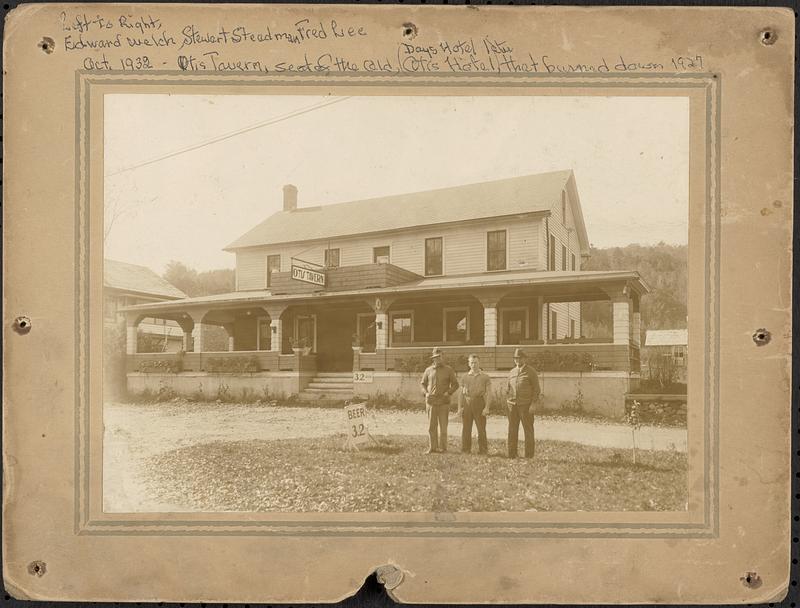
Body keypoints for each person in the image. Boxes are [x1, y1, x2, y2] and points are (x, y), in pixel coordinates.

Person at [419, 347, 459, 454]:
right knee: (432, 426)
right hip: (431, 402)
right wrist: (426, 393)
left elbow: (455, 384)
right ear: (433, 358)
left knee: (443, 426)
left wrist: (448, 392)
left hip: (443, 402)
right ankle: (432, 447)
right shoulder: (428, 370)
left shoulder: (448, 370)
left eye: (439, 357)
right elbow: (422, 384)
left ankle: (443, 448)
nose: (437, 359)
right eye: (435, 357)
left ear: (443, 357)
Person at [506, 348, 540, 458]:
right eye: (516, 358)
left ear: (524, 359)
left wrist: (533, 404)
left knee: (528, 430)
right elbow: (508, 388)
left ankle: (529, 455)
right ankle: (512, 454)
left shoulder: (531, 371)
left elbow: (536, 389)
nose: (518, 360)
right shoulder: (511, 372)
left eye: (520, 358)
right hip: (512, 405)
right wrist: (508, 401)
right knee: (512, 429)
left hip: (526, 406)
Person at [460, 354, 491, 454]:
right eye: (472, 362)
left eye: (476, 362)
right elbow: (461, 394)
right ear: (469, 364)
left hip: (479, 403)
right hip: (467, 403)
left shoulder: (485, 377)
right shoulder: (464, 377)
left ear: (479, 363)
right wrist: (459, 407)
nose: (474, 365)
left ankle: (483, 450)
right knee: (466, 428)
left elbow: (489, 393)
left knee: (481, 428)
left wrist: (487, 407)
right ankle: (466, 449)